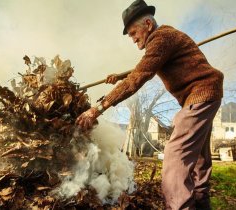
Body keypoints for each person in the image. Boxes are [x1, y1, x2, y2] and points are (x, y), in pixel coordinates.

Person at [76, 0, 223, 209]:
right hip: (208, 94)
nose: (133, 39)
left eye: (134, 33)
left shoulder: (162, 38)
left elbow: (138, 77)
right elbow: (144, 66)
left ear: (147, 24)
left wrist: (98, 108)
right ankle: (201, 202)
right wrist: (119, 76)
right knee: (199, 156)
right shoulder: (164, 40)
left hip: (200, 95)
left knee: (175, 156)